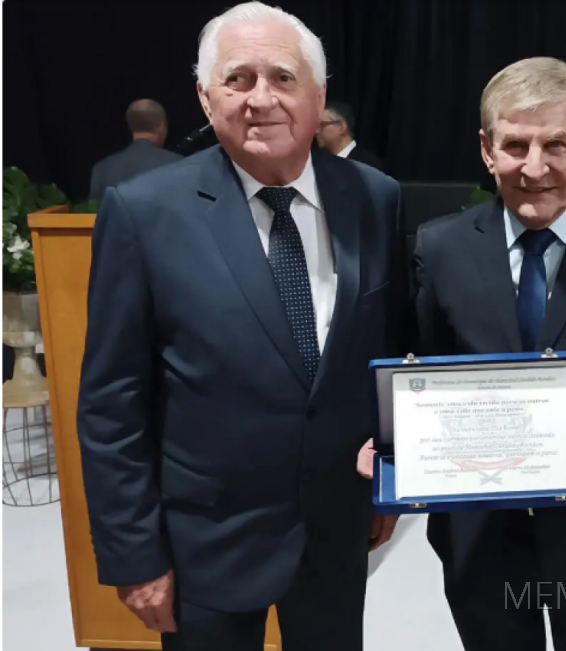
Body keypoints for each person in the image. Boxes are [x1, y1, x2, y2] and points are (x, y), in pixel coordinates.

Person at [76, 3, 404, 650]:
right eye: (238, 79)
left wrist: (391, 482)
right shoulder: (144, 213)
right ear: (204, 95)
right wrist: (134, 553)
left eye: (283, 77)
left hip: (337, 533)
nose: (262, 99)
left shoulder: (376, 197)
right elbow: (112, 403)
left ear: (319, 95)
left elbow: (386, 352)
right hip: (205, 545)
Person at [360, 56, 566, 650]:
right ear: (488, 150)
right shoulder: (441, 249)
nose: (534, 167)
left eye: (555, 145)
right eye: (515, 145)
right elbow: (422, 374)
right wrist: (389, 440)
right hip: (480, 541)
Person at [89, 99, 183, 201]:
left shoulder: (102, 169)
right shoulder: (179, 164)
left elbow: (95, 214)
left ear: (130, 125)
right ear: (160, 125)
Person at [315, 100, 385, 172]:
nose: (316, 131)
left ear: (342, 128)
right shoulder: (318, 162)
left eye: (322, 125)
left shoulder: (367, 165)